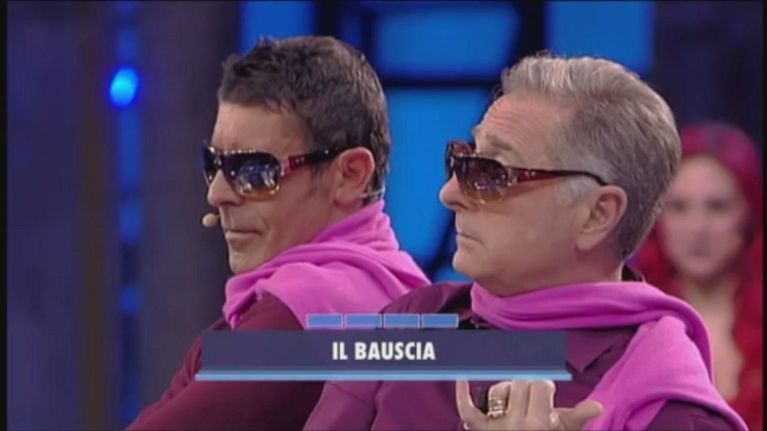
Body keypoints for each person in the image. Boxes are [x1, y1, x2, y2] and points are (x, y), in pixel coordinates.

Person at [304, 54, 748, 430]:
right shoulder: (413, 320)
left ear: (596, 214)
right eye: (462, 161)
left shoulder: (675, 413)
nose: (450, 194)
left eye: (492, 173)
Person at [128, 36, 430, 430]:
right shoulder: (405, 294)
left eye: (255, 170)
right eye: (214, 164)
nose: (217, 194)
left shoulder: (308, 316)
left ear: (350, 175)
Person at [633, 123, 763, 430]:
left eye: (718, 208)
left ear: (749, 213)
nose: (697, 228)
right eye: (679, 207)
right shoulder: (628, 322)